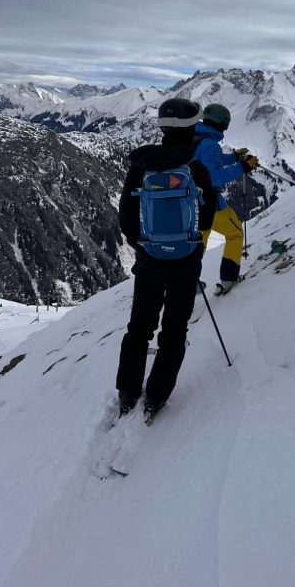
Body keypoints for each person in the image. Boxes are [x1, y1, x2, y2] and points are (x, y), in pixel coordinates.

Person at [116, 97, 217, 422]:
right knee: (174, 330)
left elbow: (127, 215)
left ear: (161, 127)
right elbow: (207, 214)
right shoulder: (195, 168)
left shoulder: (141, 165)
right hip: (186, 264)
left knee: (139, 328)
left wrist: (142, 246)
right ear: (191, 129)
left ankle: (128, 390)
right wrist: (192, 245)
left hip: (149, 262)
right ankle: (157, 395)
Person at [193, 103, 258, 295]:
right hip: (210, 203)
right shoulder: (210, 144)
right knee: (235, 233)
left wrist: (235, 158)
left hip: (191, 203)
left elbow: (209, 160)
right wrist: (243, 168)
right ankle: (228, 279)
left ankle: (187, 282)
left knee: (199, 243)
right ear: (223, 124)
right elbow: (215, 176)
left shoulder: (194, 137)